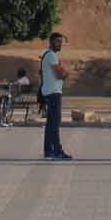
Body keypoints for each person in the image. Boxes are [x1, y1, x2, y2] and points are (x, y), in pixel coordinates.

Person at [40, 30, 71, 161]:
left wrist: (62, 70)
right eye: (58, 41)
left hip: (49, 92)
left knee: (50, 124)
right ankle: (57, 151)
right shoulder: (52, 55)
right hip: (53, 93)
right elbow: (61, 74)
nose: (60, 44)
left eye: (61, 42)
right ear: (51, 42)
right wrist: (65, 72)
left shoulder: (48, 55)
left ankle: (48, 151)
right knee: (54, 124)